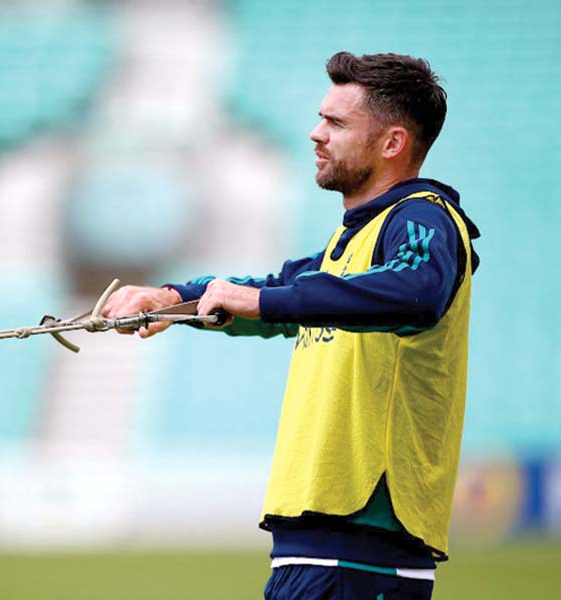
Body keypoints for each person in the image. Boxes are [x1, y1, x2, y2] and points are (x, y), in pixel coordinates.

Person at [102, 51, 480, 600]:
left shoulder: (424, 218)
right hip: (320, 545)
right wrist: (167, 300)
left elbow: (413, 290)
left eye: (336, 122)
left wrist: (262, 302)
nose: (315, 133)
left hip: (361, 545)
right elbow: (273, 287)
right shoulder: (348, 243)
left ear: (392, 143)